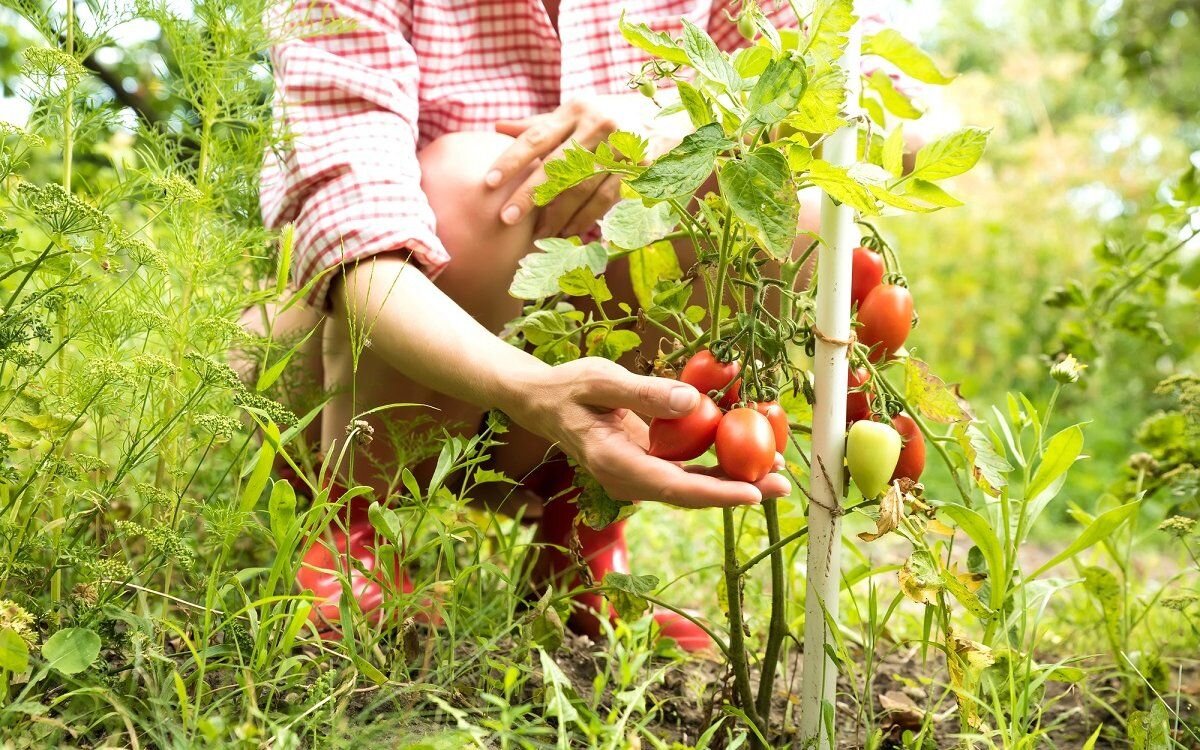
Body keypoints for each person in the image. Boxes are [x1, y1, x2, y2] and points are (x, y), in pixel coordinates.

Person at [254, 0, 805, 650]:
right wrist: (532, 391)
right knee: (480, 187)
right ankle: (348, 525)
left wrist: (665, 136)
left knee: (788, 207)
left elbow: (882, 116)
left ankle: (580, 540)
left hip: (554, 408)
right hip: (363, 365)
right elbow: (355, 244)